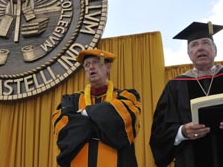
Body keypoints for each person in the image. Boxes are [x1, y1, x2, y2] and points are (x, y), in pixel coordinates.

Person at [149, 21, 223, 167]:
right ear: (189, 54)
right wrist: (181, 132)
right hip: (190, 160)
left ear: (215, 49)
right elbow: (160, 131)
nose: (200, 48)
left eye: (206, 43)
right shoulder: (175, 86)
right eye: (194, 45)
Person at [52, 49, 142, 167]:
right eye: (87, 65)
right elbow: (64, 131)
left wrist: (84, 114)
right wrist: (103, 121)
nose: (91, 67)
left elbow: (123, 124)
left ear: (108, 67)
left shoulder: (126, 96)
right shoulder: (71, 100)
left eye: (95, 62)